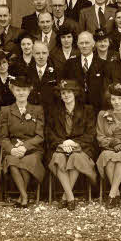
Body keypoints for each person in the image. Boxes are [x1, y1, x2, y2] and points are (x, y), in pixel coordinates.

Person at [46, 80, 98, 210]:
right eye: (63, 93)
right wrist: (62, 143)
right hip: (60, 147)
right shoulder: (54, 111)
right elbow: (49, 132)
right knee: (59, 158)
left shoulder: (87, 110)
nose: (66, 95)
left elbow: (91, 134)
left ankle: (65, 197)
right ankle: (70, 198)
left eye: (69, 92)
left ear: (75, 93)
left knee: (75, 157)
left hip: (81, 147)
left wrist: (74, 143)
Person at [0, 76, 45, 208]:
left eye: (24, 90)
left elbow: (40, 136)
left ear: (29, 91)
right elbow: (3, 137)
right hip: (13, 148)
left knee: (27, 161)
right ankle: (24, 196)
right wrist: (12, 149)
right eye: (18, 90)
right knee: (12, 161)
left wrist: (25, 147)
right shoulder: (6, 110)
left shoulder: (37, 110)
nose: (21, 93)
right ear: (13, 91)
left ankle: (22, 197)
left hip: (33, 149)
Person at [61, 31, 107, 113]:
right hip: (76, 109)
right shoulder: (69, 64)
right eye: (81, 43)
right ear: (78, 45)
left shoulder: (104, 64)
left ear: (93, 44)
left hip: (97, 108)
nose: (84, 46)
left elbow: (105, 89)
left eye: (87, 43)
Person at [25, 42, 58, 111]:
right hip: (32, 111)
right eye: (37, 53)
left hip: (51, 111)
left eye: (44, 53)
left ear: (48, 53)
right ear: (33, 54)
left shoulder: (56, 71)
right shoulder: (27, 71)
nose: (41, 57)